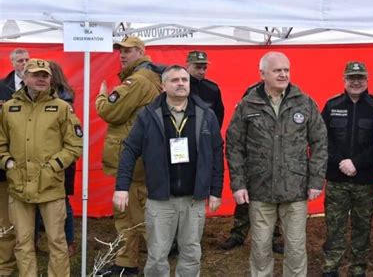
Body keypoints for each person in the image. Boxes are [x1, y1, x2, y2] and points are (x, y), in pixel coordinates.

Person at [113, 65, 224, 276]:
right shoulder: (148, 115)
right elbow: (129, 150)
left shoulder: (205, 115)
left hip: (194, 198)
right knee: (157, 254)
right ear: (163, 86)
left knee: (191, 253)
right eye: (175, 80)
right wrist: (122, 187)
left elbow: (217, 152)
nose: (181, 83)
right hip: (160, 198)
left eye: (184, 79)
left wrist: (215, 190)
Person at [226, 51, 328, 276]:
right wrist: (239, 184)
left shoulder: (305, 102)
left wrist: (316, 181)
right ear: (263, 74)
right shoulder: (247, 104)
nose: (283, 74)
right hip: (260, 188)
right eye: (277, 70)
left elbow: (320, 142)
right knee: (261, 248)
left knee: (295, 247)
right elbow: (234, 146)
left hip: (296, 188)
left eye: (286, 70)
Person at [0, 59, 83, 277]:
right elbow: (0, 142)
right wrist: (7, 162)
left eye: (45, 75)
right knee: (23, 241)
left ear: (51, 79)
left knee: (57, 241)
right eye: (35, 75)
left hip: (50, 187)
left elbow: (75, 144)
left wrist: (53, 167)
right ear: (24, 77)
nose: (40, 79)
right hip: (18, 187)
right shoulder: (8, 108)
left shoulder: (62, 108)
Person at [95, 36, 162, 276]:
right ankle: (126, 264)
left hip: (132, 161)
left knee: (136, 217)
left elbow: (109, 111)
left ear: (141, 52)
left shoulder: (138, 81)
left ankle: (154, 265)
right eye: (120, 51)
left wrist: (102, 96)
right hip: (137, 160)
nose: (122, 55)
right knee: (129, 215)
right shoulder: (147, 77)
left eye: (128, 51)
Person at [321, 61, 373, 277]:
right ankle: (331, 265)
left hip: (365, 179)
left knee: (362, 226)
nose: (356, 82)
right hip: (337, 178)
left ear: (367, 80)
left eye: (360, 78)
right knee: (334, 224)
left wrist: (357, 163)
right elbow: (321, 139)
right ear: (344, 79)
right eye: (351, 78)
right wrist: (341, 162)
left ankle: (358, 267)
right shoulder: (332, 105)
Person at [220, 81, 284, 254]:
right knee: (244, 201)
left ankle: (273, 237)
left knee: (274, 199)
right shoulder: (250, 97)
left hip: (275, 163)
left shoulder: (281, 101)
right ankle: (238, 234)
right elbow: (237, 134)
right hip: (251, 161)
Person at [34, 61, 77, 257]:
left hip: (56, 159)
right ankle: (66, 243)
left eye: (44, 75)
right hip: (60, 159)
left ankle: (66, 243)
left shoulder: (61, 102)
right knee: (60, 201)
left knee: (60, 202)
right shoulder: (66, 96)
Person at [0, 48, 29, 277]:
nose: (25, 63)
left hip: (31, 165)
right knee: (5, 219)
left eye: (27, 59)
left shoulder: (40, 86)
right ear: (12, 63)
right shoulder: (2, 87)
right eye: (20, 60)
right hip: (4, 163)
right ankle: (6, 264)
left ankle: (26, 258)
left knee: (28, 217)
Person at [186, 50, 224, 128]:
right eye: (198, 67)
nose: (202, 72)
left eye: (204, 68)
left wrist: (213, 133)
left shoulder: (212, 88)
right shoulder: (179, 86)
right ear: (187, 66)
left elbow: (219, 114)